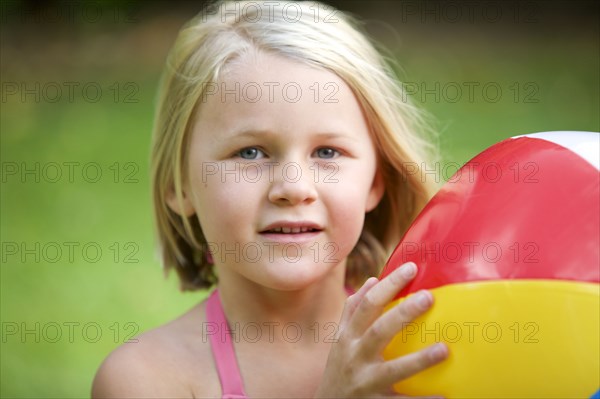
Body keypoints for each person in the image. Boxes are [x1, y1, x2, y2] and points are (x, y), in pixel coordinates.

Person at [92, 1, 448, 397]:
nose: (294, 188)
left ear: (375, 182)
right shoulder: (145, 378)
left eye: (327, 153)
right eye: (250, 153)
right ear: (179, 186)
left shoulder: (423, 350)